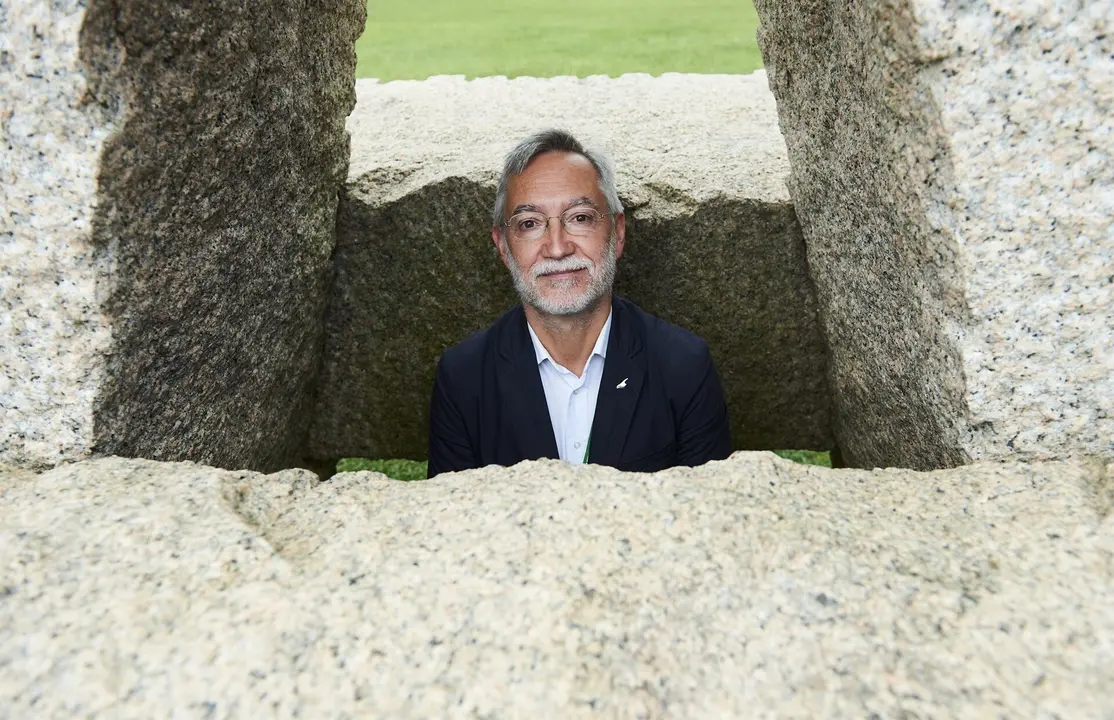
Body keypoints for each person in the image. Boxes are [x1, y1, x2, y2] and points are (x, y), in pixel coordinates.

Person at [426, 129, 731, 477]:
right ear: (504, 248)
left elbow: (710, 517)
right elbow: (450, 521)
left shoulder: (683, 366)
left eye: (580, 218)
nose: (557, 247)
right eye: (529, 223)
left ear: (617, 233)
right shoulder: (464, 378)